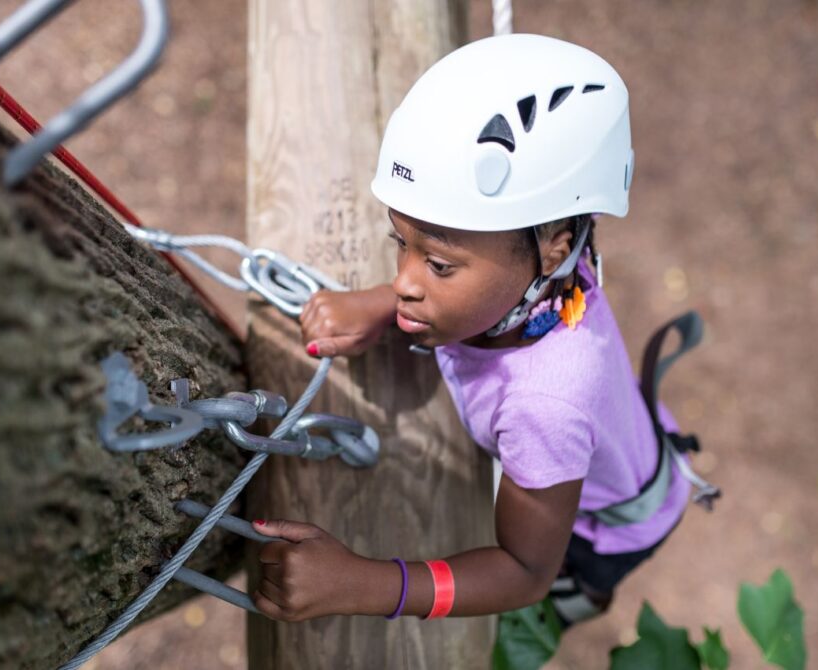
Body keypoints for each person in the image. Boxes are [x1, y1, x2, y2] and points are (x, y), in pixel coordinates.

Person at [249, 33, 717, 626]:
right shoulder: (555, 254)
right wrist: (380, 308)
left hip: (607, 527)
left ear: (554, 250)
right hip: (609, 442)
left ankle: (589, 596)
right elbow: (461, 283)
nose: (404, 282)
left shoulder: (542, 408)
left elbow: (524, 571)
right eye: (401, 244)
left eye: (439, 265)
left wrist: (365, 585)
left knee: (573, 581)